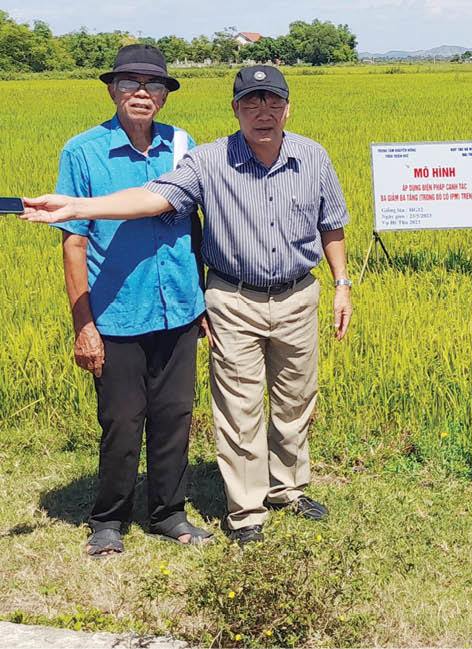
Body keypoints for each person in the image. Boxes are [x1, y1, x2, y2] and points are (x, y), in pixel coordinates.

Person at [23, 65, 354, 546]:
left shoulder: (313, 156)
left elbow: (333, 223)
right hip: (233, 297)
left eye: (273, 102)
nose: (263, 112)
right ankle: (247, 511)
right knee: (239, 406)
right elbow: (150, 199)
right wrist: (78, 208)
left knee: (296, 400)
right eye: (251, 103)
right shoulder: (206, 161)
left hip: (298, 294)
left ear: (288, 107)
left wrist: (342, 282)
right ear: (235, 110)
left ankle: (289, 488)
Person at [50, 44, 212, 557]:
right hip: (117, 313)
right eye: (130, 83)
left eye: (153, 85)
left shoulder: (182, 147)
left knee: (175, 415)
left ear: (164, 96)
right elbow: (74, 241)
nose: (142, 93)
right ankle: (109, 519)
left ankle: (168, 512)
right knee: (121, 421)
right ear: (111, 90)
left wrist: (202, 297)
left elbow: (198, 226)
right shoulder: (84, 152)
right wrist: (84, 325)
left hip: (179, 308)